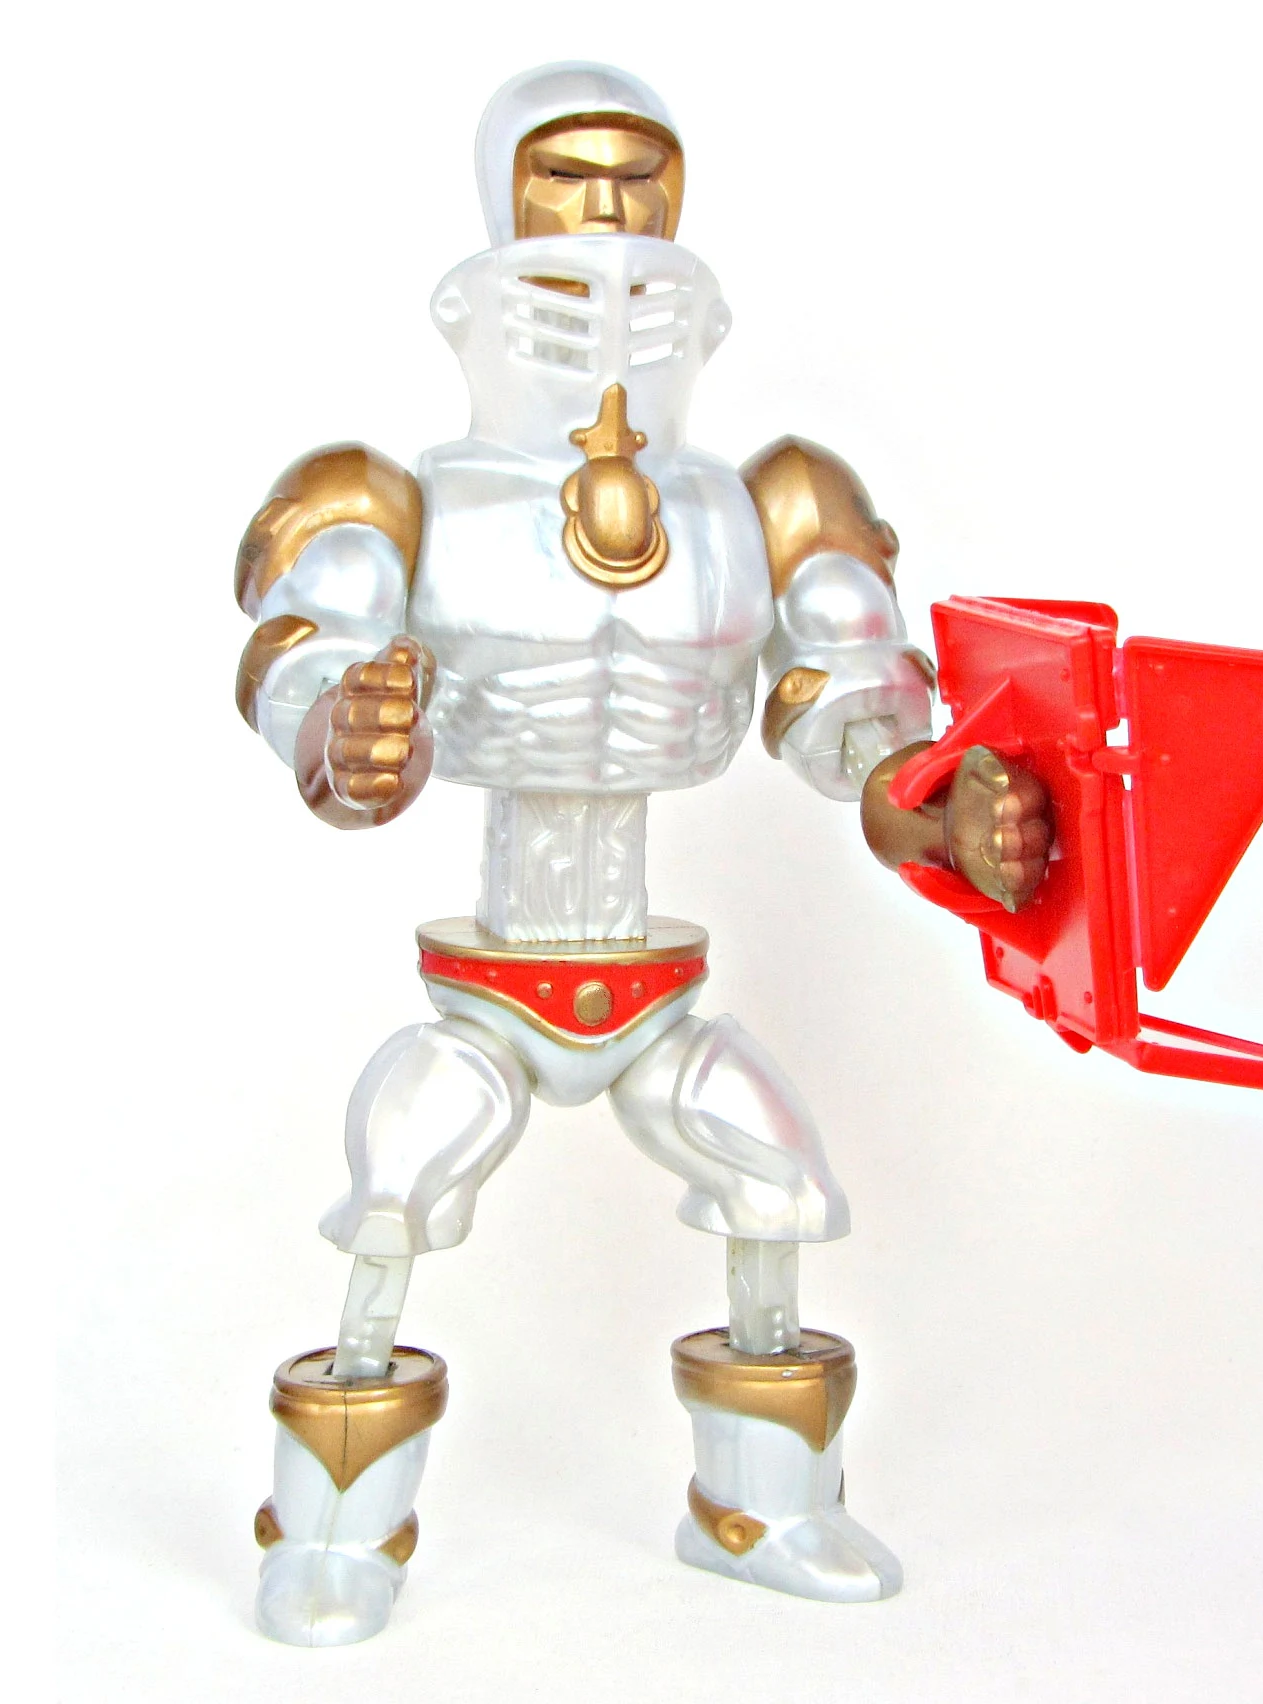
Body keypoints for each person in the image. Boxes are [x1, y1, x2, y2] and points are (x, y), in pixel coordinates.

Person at [234, 60, 1047, 1646]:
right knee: (394, 1197)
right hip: (487, 986)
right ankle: (333, 1535)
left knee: (776, 1178)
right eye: (566, 178)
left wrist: (936, 804)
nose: (607, 217)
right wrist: (344, 730)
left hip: (655, 989)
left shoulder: (768, 502)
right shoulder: (399, 499)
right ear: (501, 202)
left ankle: (761, 1509)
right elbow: (305, 658)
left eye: (638, 179)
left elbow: (852, 718)